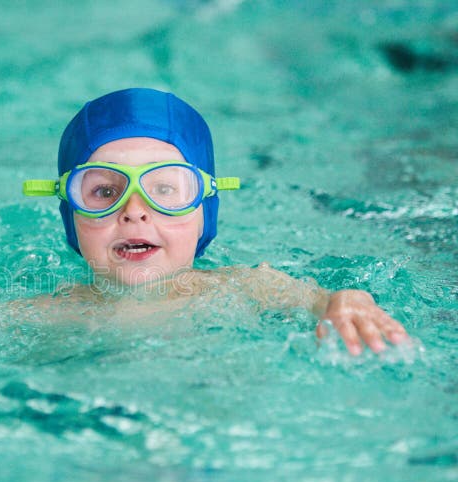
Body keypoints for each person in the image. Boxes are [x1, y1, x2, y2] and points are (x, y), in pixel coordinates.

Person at [22, 88, 409, 356]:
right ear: (70, 213)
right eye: (105, 192)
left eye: (165, 189)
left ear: (204, 210)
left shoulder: (247, 287)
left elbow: (321, 301)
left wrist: (348, 301)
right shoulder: (44, 313)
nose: (134, 210)